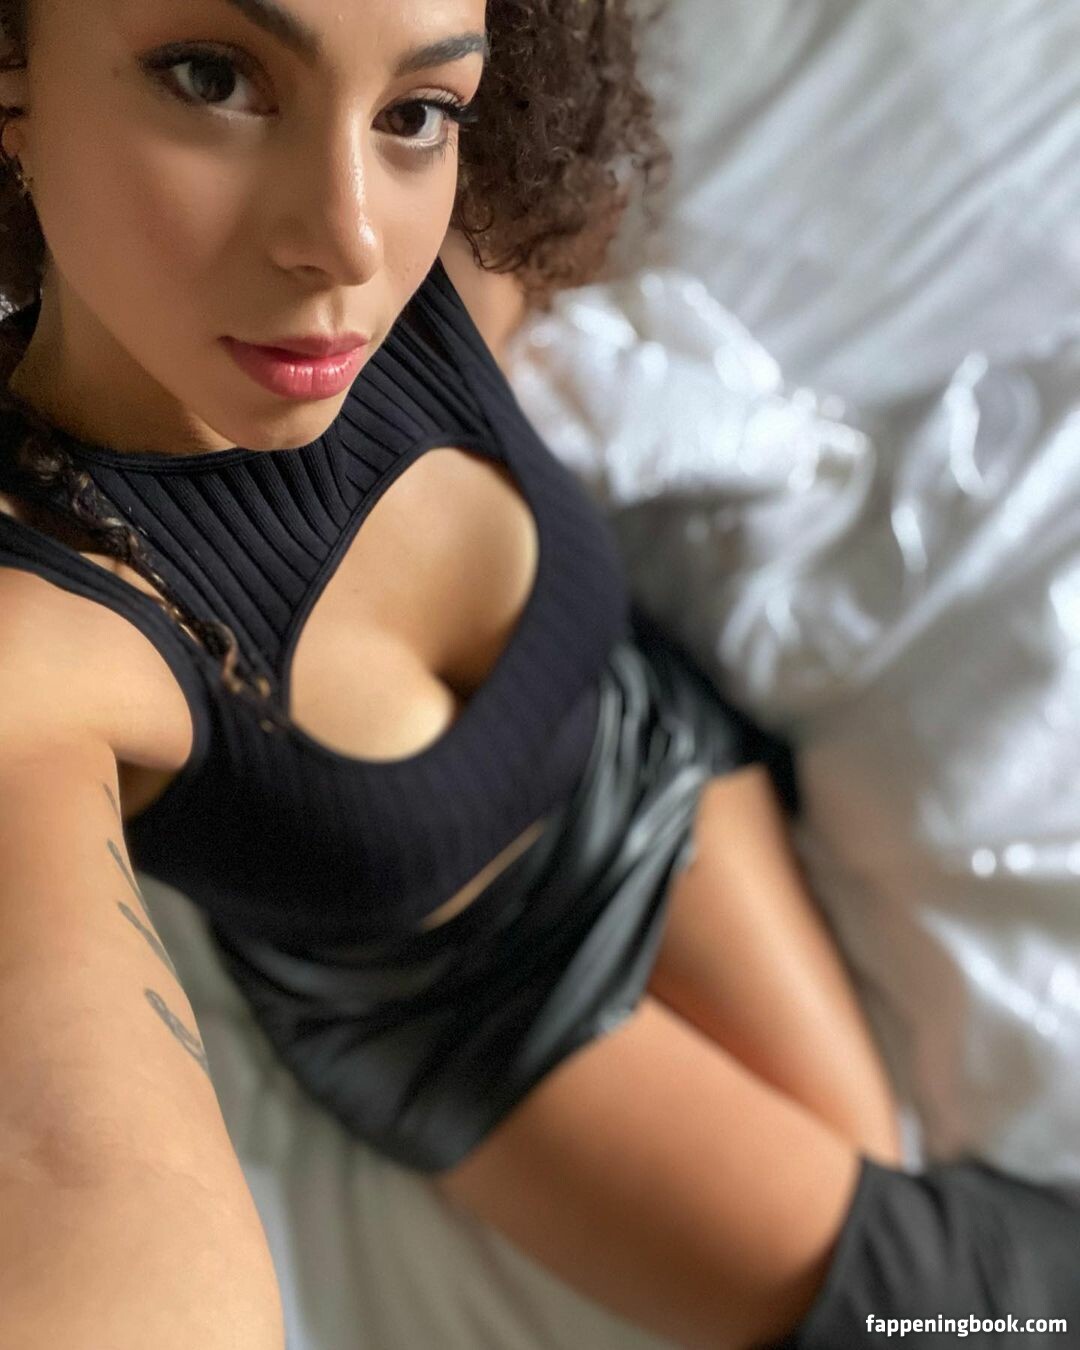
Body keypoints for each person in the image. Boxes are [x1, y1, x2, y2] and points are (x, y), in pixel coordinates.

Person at [0, 3, 1077, 1348]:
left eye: (415, 112)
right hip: (483, 1019)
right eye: (214, 79)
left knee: (896, 1183)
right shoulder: (42, 639)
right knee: (930, 1305)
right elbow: (74, 1172)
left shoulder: (450, 258)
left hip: (647, 749)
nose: (348, 239)